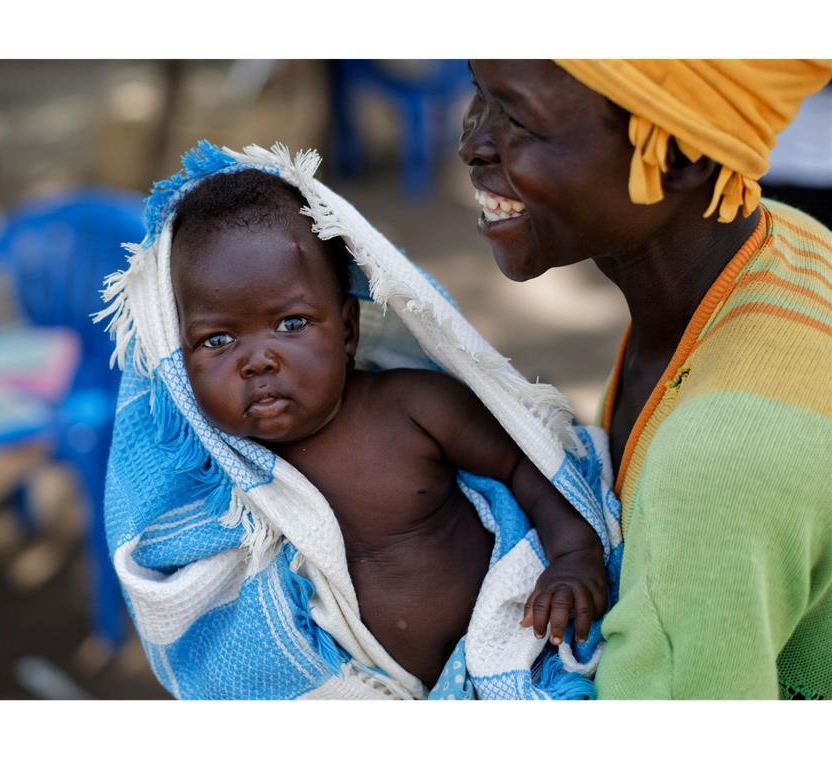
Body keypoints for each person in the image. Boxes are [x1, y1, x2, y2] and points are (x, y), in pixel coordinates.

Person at [458, 59, 832, 699]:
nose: (473, 144)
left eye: (519, 120)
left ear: (682, 156)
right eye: (479, 97)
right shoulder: (788, 242)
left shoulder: (714, 463)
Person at [167, 167, 608, 689]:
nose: (258, 360)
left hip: (509, 651)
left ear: (348, 330)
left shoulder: (413, 408)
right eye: (217, 340)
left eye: (290, 324)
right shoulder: (222, 476)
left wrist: (574, 553)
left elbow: (523, 464)